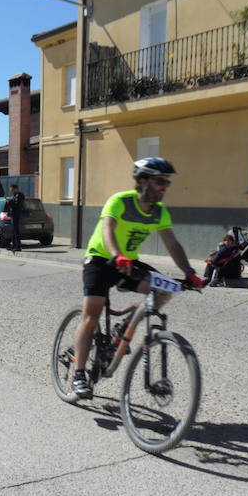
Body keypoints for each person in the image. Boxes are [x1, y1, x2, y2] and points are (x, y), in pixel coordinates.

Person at [70, 157, 204, 399]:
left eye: (167, 182)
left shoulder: (159, 212)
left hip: (127, 263)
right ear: (143, 181)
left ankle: (124, 325)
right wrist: (116, 255)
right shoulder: (120, 201)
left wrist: (189, 273)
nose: (164, 186)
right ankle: (79, 375)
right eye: (160, 181)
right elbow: (107, 229)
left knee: (166, 289)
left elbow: (172, 244)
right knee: (91, 316)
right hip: (101, 259)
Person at [5, 184, 24, 252]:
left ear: (16, 189)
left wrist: (9, 202)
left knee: (16, 231)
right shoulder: (15, 196)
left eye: (12, 190)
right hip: (13, 215)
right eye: (11, 190)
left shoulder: (19, 196)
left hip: (16, 215)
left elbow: (17, 205)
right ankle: (13, 245)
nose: (11, 192)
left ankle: (18, 246)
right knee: (13, 231)